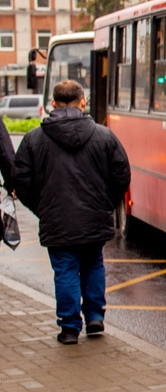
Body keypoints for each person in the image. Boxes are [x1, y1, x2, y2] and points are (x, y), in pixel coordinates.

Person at [12, 80, 131, 345]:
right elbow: (122, 176)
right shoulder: (104, 136)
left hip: (56, 219)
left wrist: (42, 208)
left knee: (65, 270)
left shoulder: (33, 139)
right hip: (94, 217)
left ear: (53, 104)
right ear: (83, 102)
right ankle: (94, 318)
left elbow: (20, 180)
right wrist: (105, 204)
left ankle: (69, 327)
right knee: (93, 264)